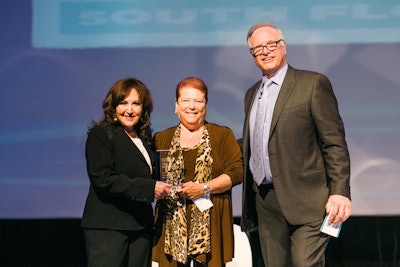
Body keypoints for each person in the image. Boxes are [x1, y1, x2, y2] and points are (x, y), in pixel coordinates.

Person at [240, 22, 352, 267]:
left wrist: (340, 190)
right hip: (266, 202)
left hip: (309, 200)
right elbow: (257, 142)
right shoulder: (251, 94)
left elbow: (333, 142)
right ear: (252, 55)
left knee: (305, 263)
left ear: (284, 47)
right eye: (258, 48)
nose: (265, 51)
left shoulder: (312, 84)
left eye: (271, 44)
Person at [152, 76, 244, 267]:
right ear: (176, 105)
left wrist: (204, 188)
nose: (191, 106)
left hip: (210, 225)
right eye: (185, 100)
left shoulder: (222, 135)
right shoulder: (161, 138)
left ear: (206, 105)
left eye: (198, 101)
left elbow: (237, 172)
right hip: (171, 227)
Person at [81, 77, 171, 267]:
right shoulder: (102, 134)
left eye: (136, 103)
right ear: (113, 105)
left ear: (143, 108)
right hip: (109, 228)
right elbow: (103, 179)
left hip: (140, 226)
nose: (129, 110)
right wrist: (149, 188)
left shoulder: (143, 139)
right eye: (123, 103)